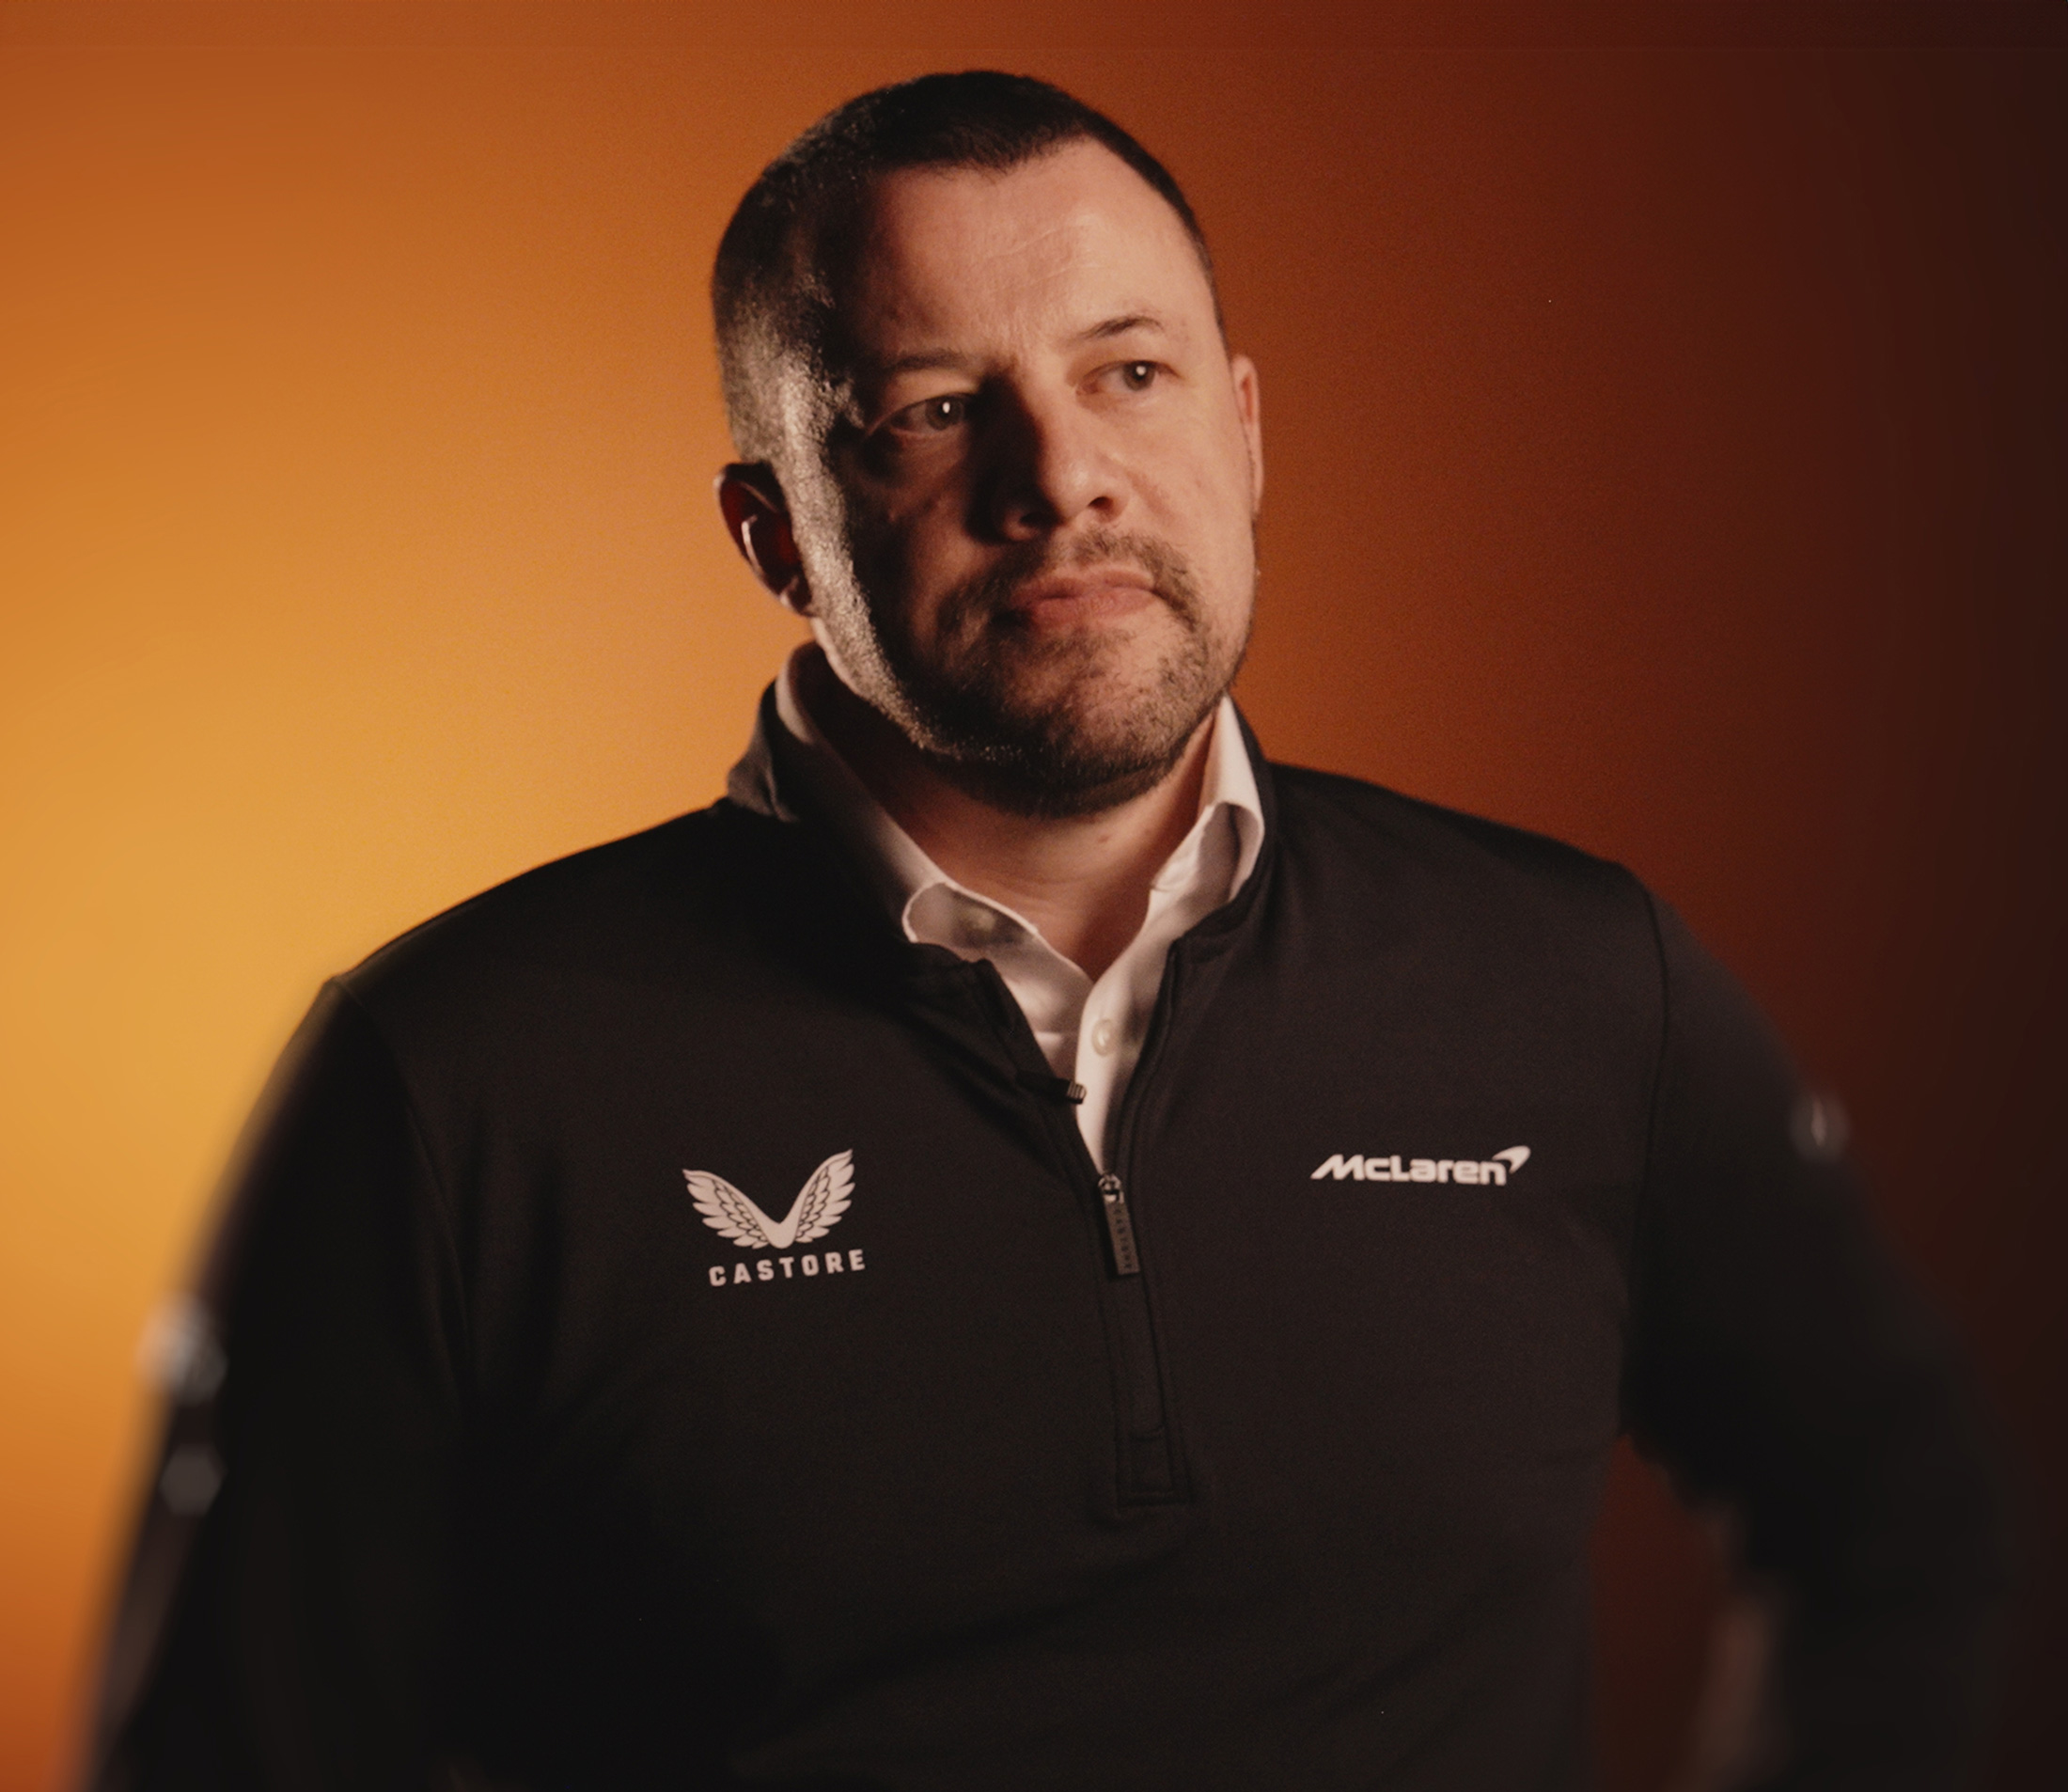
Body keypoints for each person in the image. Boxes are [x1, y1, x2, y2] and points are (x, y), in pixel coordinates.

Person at [87, 71, 2006, 1791]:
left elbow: (1901, 1511)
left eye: (1129, 373)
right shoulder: (453, 1077)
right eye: (932, 410)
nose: (1058, 476)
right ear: (773, 531)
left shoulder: (1575, 978)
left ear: (1241, 432)